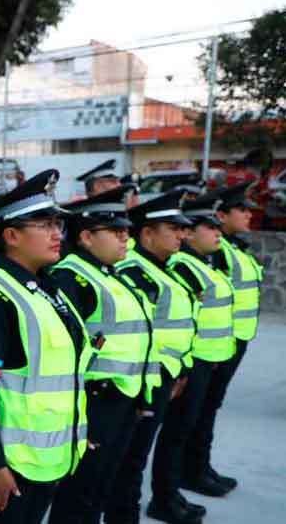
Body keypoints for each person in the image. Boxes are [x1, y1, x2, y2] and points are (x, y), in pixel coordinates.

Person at [0, 170, 90, 524]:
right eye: (44, 225)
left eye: (57, 224)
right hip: (8, 466)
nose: (57, 233)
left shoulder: (45, 288)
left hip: (46, 458)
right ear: (11, 235)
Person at [46, 185, 155, 524]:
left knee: (101, 488)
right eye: (115, 231)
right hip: (94, 401)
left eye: (126, 231)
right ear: (87, 237)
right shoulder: (72, 277)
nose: (126, 238)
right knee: (81, 494)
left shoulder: (110, 273)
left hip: (121, 398)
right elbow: (64, 352)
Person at [104, 190, 200, 524]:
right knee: (129, 461)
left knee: (136, 458)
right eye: (172, 228)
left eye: (182, 228)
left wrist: (182, 367)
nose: (181, 234)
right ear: (147, 233)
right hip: (144, 379)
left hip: (164, 375)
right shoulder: (136, 272)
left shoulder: (164, 268)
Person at [147, 191, 237, 523]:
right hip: (188, 360)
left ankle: (173, 491)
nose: (216, 233)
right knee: (176, 431)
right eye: (207, 227)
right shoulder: (181, 265)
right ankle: (165, 496)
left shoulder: (200, 262)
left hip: (202, 357)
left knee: (187, 428)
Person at [179, 182, 261, 496]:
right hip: (212, 344)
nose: (248, 214)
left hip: (232, 339)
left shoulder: (233, 247)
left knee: (209, 409)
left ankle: (201, 465)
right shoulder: (216, 251)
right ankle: (192, 470)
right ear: (223, 215)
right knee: (197, 412)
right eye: (241, 209)